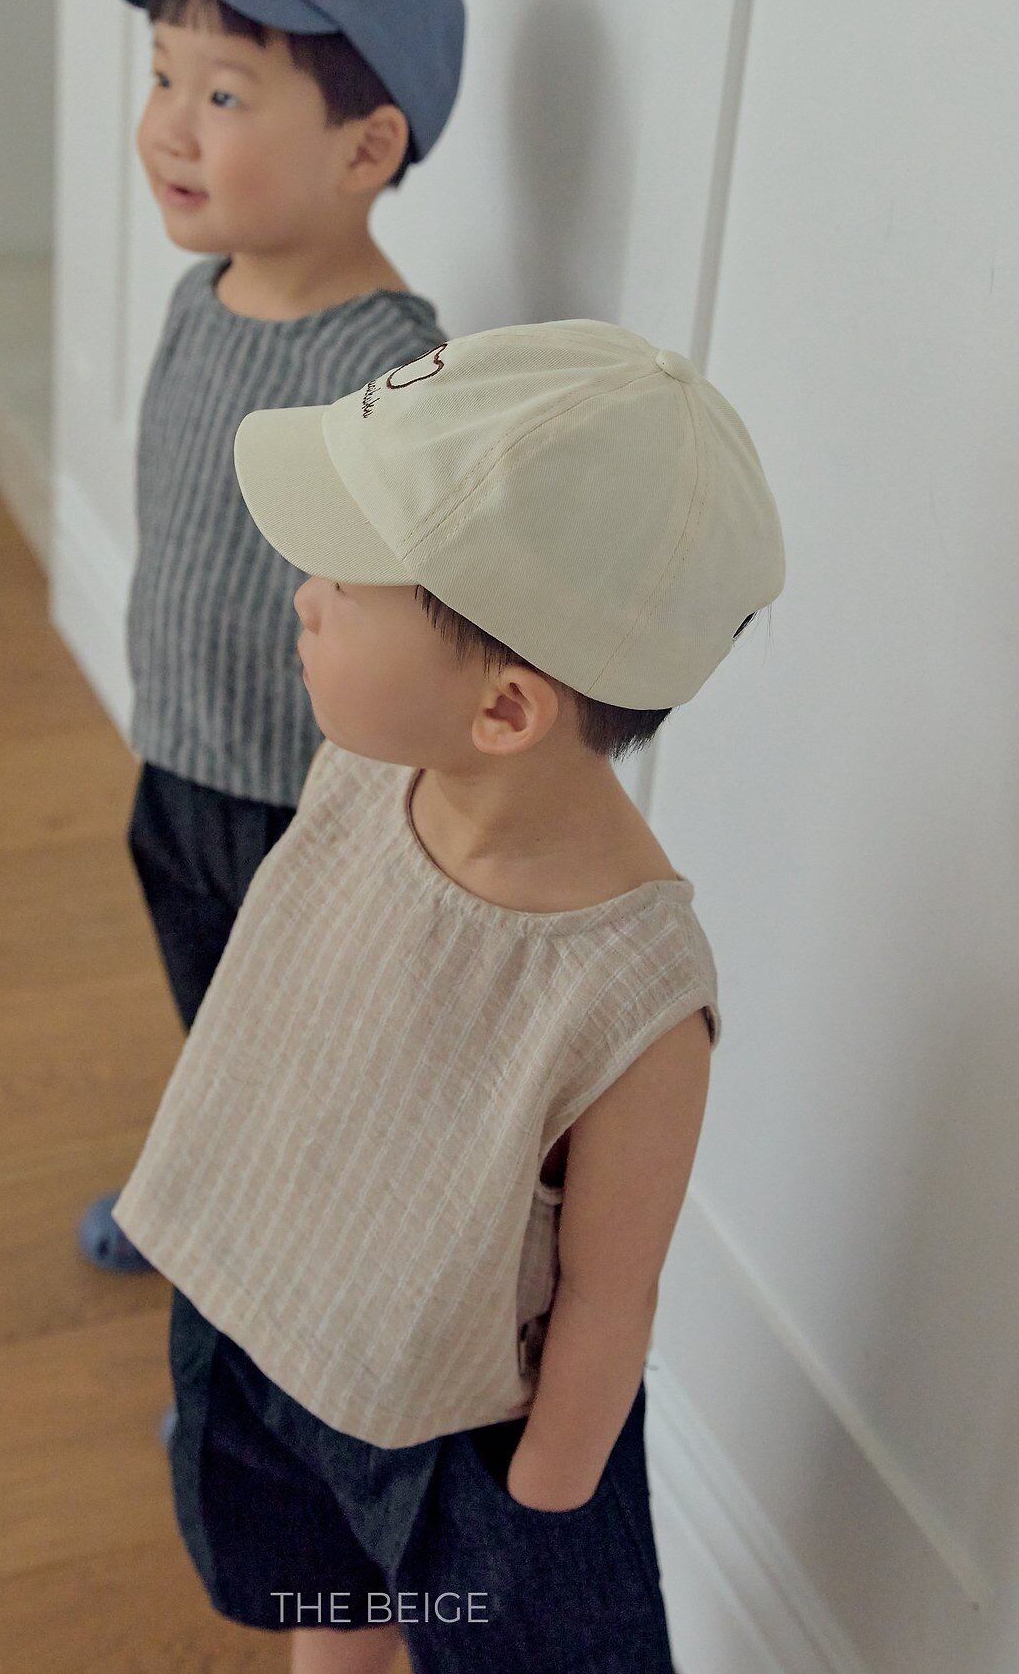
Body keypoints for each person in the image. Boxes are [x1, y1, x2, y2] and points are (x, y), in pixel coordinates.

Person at [113, 320, 786, 1671]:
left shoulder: (632, 999)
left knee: (483, 1636)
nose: (303, 596)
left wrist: (547, 1490)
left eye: (343, 580)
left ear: (506, 711)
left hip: (458, 1443)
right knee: (326, 1598)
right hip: (277, 1316)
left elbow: (609, 1292)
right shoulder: (368, 770)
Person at [77, 0, 465, 1273]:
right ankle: (209, 1182)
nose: (169, 126)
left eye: (226, 95)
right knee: (211, 1006)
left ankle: (284, 1252)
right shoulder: (204, 295)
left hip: (298, 804)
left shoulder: (389, 370)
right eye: (163, 77)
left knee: (301, 1044)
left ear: (367, 148)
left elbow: (413, 629)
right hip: (179, 755)